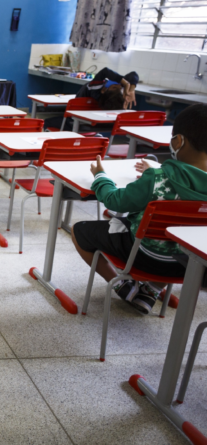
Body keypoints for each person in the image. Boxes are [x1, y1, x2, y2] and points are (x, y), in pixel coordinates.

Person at [72, 103, 207, 314]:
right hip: (191, 264)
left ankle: (124, 287)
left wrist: (100, 175)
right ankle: (151, 290)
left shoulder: (157, 179)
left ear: (178, 141)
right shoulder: (160, 174)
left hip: (146, 257)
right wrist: (160, 170)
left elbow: (114, 201)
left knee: (79, 230)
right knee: (174, 238)